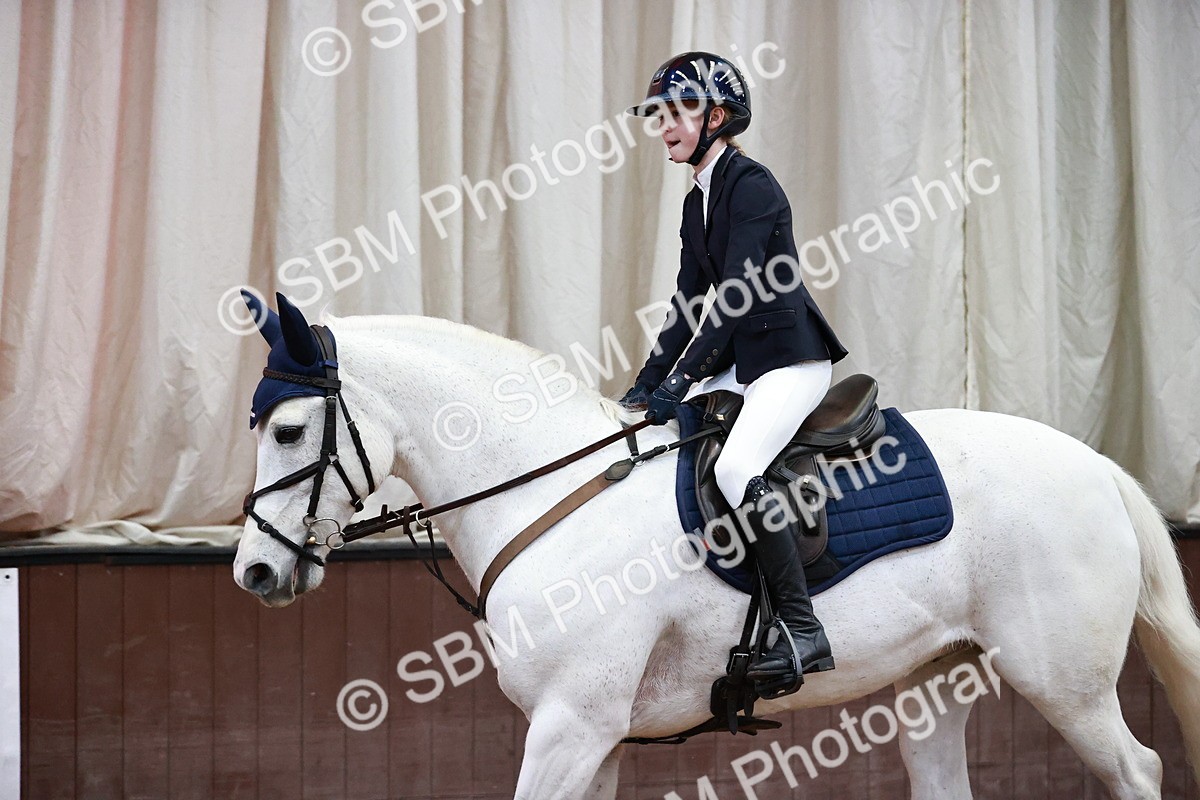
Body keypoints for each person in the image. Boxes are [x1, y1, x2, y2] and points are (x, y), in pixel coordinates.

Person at [620, 52, 849, 696]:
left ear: (716, 117)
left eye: (677, 113)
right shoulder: (698, 201)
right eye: (658, 117)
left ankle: (803, 630)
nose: (664, 127)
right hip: (740, 366)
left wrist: (682, 377)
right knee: (676, 439)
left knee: (735, 468)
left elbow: (737, 295)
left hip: (787, 362)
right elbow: (690, 300)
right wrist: (648, 383)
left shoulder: (751, 185)